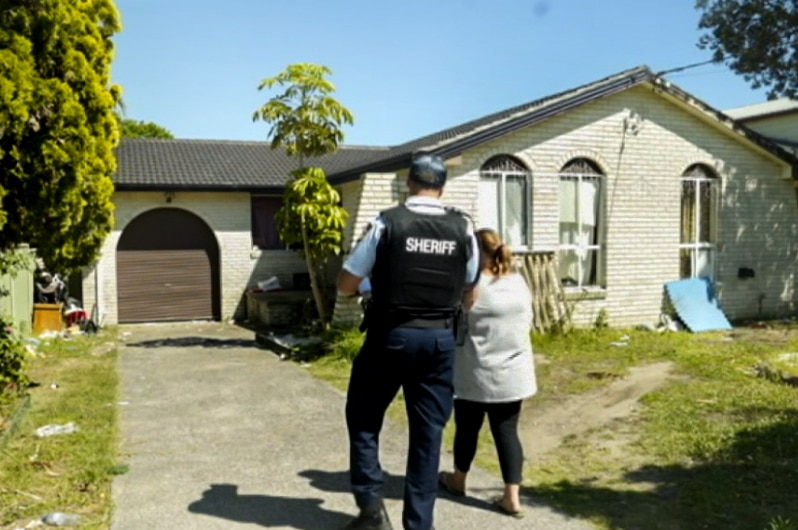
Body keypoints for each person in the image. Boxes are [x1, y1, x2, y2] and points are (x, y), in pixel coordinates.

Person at [336, 153, 481, 530]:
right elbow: (471, 290)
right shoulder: (463, 228)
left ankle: (371, 510)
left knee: (364, 418)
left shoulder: (387, 223)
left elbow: (346, 283)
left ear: (408, 184)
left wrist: (368, 290)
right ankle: (419, 525)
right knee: (428, 433)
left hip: (391, 337)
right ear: (443, 187)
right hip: (439, 342)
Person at [437, 228, 537, 519]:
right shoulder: (519, 282)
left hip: (476, 371)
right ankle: (512, 498)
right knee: (506, 432)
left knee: (467, 428)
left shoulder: (470, 288)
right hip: (514, 372)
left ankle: (458, 479)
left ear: (474, 254)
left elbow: (453, 321)